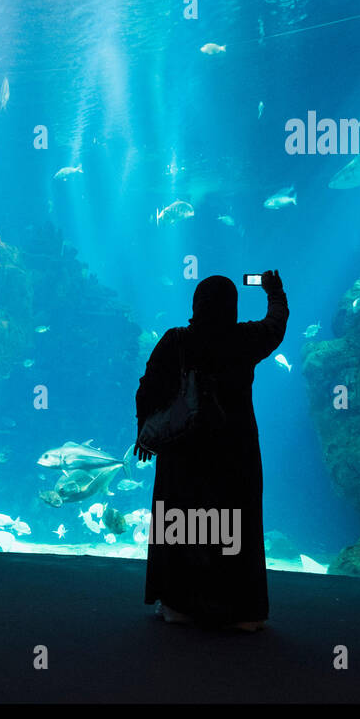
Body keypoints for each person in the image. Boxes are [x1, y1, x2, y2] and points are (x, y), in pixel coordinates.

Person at [134, 270, 288, 631]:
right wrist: (274, 290)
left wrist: (144, 433)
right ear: (231, 305)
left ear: (196, 304)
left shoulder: (176, 340)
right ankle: (242, 611)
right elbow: (276, 324)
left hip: (184, 452)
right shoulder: (245, 338)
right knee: (237, 524)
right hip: (236, 452)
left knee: (183, 523)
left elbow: (147, 388)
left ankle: (179, 605)